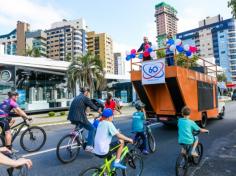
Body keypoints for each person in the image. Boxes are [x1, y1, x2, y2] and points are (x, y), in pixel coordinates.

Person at [67, 87, 102, 152]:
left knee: (81, 126)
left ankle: (75, 134)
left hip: (71, 117)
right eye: (88, 92)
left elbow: (79, 107)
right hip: (79, 117)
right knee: (92, 129)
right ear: (86, 92)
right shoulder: (85, 98)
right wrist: (101, 112)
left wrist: (87, 114)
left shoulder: (77, 97)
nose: (88, 94)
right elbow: (92, 105)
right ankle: (89, 146)